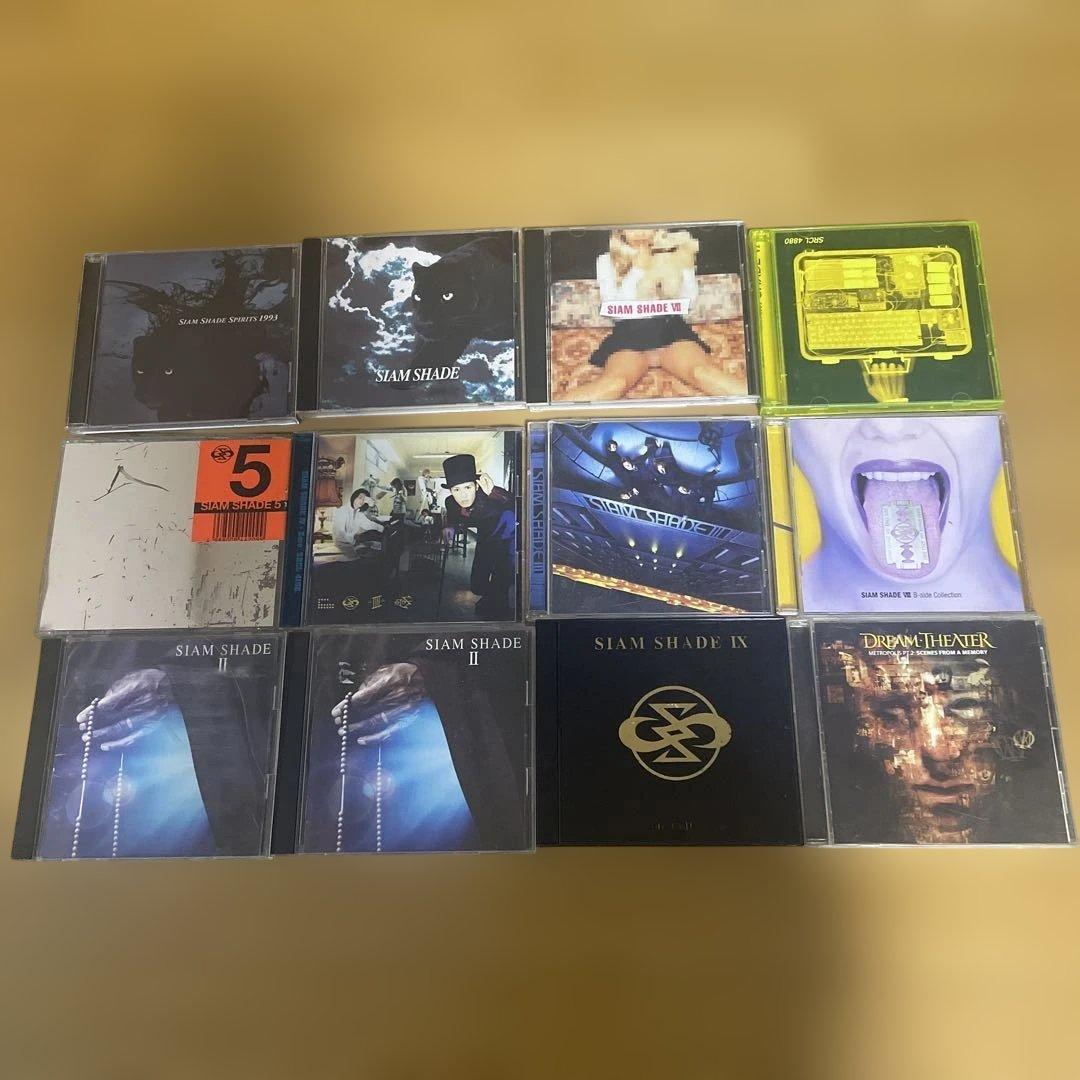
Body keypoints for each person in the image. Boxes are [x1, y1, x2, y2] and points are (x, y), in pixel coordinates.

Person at [440, 453, 517, 619]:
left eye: (467, 487)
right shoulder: (451, 502)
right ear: (451, 491)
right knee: (478, 579)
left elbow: (516, 505)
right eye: (456, 489)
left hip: (507, 536)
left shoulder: (491, 496)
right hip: (485, 535)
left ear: (476, 486)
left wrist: (493, 492)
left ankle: (499, 614)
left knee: (501, 578)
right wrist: (449, 526)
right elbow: (452, 517)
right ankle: (485, 602)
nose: (463, 495)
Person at [330, 488, 384, 558]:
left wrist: (383, 529)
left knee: (378, 546)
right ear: (354, 497)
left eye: (364, 499)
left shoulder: (358, 513)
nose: (362, 501)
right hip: (342, 546)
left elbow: (368, 524)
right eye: (360, 498)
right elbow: (339, 535)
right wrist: (355, 537)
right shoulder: (342, 511)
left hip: (353, 544)